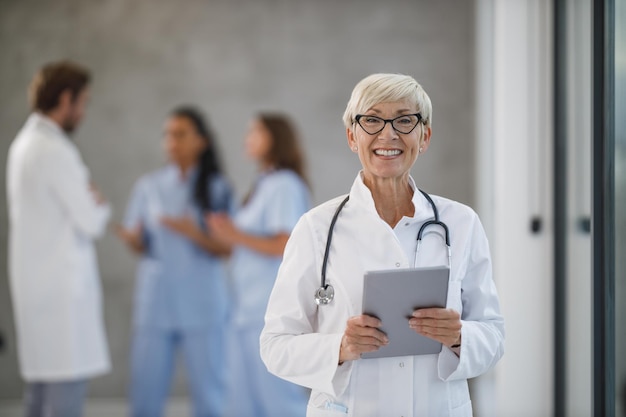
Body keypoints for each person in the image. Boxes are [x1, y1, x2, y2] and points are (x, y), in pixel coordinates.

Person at [259, 73, 505, 416]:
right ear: (351, 136)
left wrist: (460, 335)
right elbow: (275, 345)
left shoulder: (461, 223)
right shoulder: (315, 229)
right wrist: (340, 347)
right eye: (372, 120)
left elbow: (493, 334)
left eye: (404, 121)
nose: (388, 134)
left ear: (425, 136)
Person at [6, 61, 111, 417]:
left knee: (38, 396)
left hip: (37, 292)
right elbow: (91, 220)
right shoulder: (55, 151)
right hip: (62, 299)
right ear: (66, 99)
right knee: (63, 398)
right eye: (82, 102)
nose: (82, 112)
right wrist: (99, 203)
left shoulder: (23, 146)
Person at [116, 107, 233, 417]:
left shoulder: (216, 188)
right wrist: (134, 240)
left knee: (211, 394)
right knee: (145, 393)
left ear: (201, 141)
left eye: (180, 134)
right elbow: (142, 244)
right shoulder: (148, 187)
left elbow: (229, 249)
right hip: (156, 303)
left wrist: (193, 232)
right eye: (167, 135)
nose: (171, 142)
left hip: (202, 305)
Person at [207, 113, 311, 417]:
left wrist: (234, 234)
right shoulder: (264, 183)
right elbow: (245, 245)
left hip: (268, 311)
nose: (247, 138)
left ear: (275, 138)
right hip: (245, 310)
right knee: (241, 403)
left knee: (278, 400)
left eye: (255, 131)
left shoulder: (284, 184)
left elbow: (285, 244)